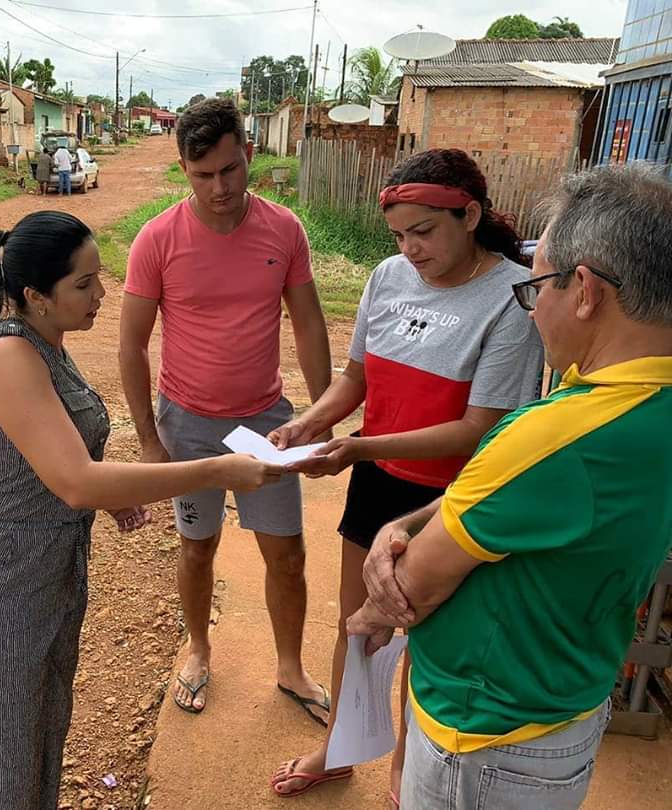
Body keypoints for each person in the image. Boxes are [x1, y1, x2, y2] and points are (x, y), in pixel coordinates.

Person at [0, 210, 283, 810]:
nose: (102, 294)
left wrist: (113, 496)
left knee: (39, 727)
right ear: (35, 296)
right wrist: (220, 471)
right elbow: (74, 482)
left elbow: (65, 459)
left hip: (44, 570)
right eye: (84, 284)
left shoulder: (48, 344)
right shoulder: (10, 357)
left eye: (101, 276)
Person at [348, 162, 672, 809]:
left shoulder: (549, 437)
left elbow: (411, 589)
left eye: (540, 287)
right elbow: (520, 505)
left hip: (485, 737)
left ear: (584, 291)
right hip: (572, 700)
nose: (533, 310)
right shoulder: (649, 406)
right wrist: (408, 524)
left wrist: (385, 567)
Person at [269, 149, 545, 802]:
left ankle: (403, 771)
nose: (409, 248)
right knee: (360, 627)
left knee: (429, 641)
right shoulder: (387, 278)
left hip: (451, 497)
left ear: (469, 214)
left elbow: (479, 428)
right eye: (399, 235)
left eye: (424, 231)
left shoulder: (510, 299)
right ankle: (340, 748)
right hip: (379, 482)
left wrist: (358, 448)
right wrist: (312, 423)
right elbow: (357, 377)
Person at [119, 98, 334, 718]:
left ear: (249, 155)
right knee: (197, 547)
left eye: (230, 170)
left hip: (264, 421)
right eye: (203, 174)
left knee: (287, 553)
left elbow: (310, 324)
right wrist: (149, 440)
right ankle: (198, 649)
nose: (219, 187)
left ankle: (290, 668)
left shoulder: (284, 231)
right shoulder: (157, 239)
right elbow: (131, 346)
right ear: (183, 167)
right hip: (186, 424)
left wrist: (321, 417)